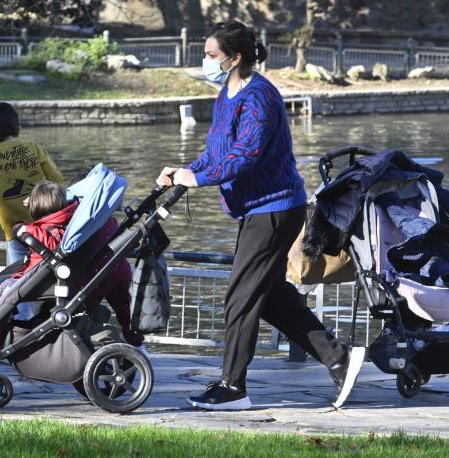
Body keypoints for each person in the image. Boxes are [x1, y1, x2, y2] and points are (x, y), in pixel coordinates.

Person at [156, 20, 365, 410]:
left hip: (275, 209)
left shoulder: (260, 97)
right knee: (265, 297)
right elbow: (219, 150)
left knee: (239, 296)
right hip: (256, 210)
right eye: (205, 54)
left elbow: (246, 155)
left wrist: (197, 178)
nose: (205, 61)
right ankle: (338, 357)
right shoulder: (227, 92)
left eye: (211, 55)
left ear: (235, 58)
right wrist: (183, 170)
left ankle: (233, 387)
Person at [0, 181, 145, 348]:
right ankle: (133, 340)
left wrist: (27, 229)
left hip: (59, 277)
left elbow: (53, 242)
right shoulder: (91, 220)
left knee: (8, 286)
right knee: (118, 308)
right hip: (115, 270)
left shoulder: (53, 227)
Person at [0, 102, 64, 266]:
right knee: (49, 271)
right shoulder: (34, 148)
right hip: (46, 226)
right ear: (18, 127)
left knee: (19, 279)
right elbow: (57, 180)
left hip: (15, 232)